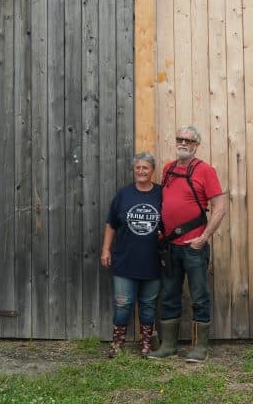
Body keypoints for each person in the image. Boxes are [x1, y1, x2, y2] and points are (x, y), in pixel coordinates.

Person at [148, 125, 226, 363]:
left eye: (189, 140)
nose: (183, 143)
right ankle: (169, 345)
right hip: (170, 246)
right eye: (180, 139)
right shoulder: (168, 169)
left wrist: (203, 238)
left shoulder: (206, 171)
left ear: (196, 145)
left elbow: (219, 208)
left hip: (194, 247)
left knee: (199, 295)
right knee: (169, 294)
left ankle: (199, 348)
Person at [100, 152, 163, 357]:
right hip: (125, 259)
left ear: (152, 170)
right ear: (134, 170)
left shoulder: (161, 194)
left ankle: (146, 343)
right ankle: (117, 343)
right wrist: (106, 249)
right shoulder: (124, 194)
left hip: (152, 260)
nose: (142, 171)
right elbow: (111, 224)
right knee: (123, 303)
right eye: (138, 168)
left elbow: (169, 222)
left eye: (146, 168)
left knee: (148, 304)